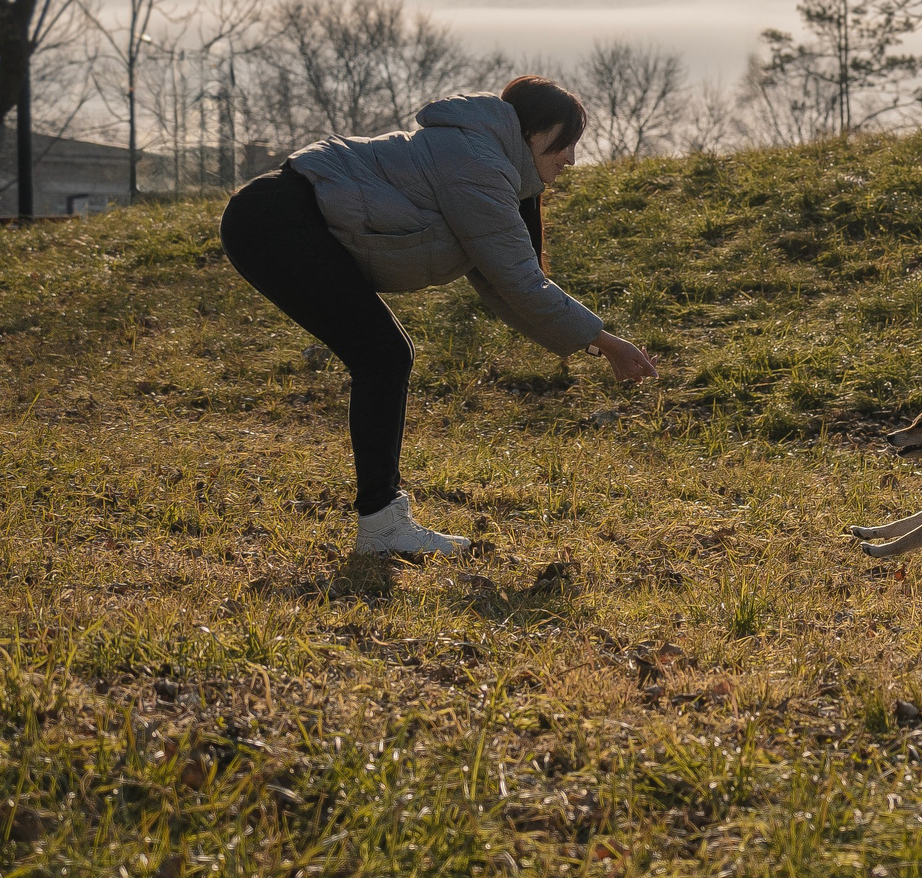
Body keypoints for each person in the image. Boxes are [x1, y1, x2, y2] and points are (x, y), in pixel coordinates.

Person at [220, 75, 658, 556]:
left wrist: (594, 342)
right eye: (565, 141)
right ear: (532, 131)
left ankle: (383, 524)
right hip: (275, 218)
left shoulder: (486, 163)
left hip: (274, 217)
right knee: (384, 356)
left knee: (384, 355)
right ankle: (383, 528)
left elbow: (503, 287)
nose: (571, 158)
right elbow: (520, 281)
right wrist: (610, 341)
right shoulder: (477, 163)